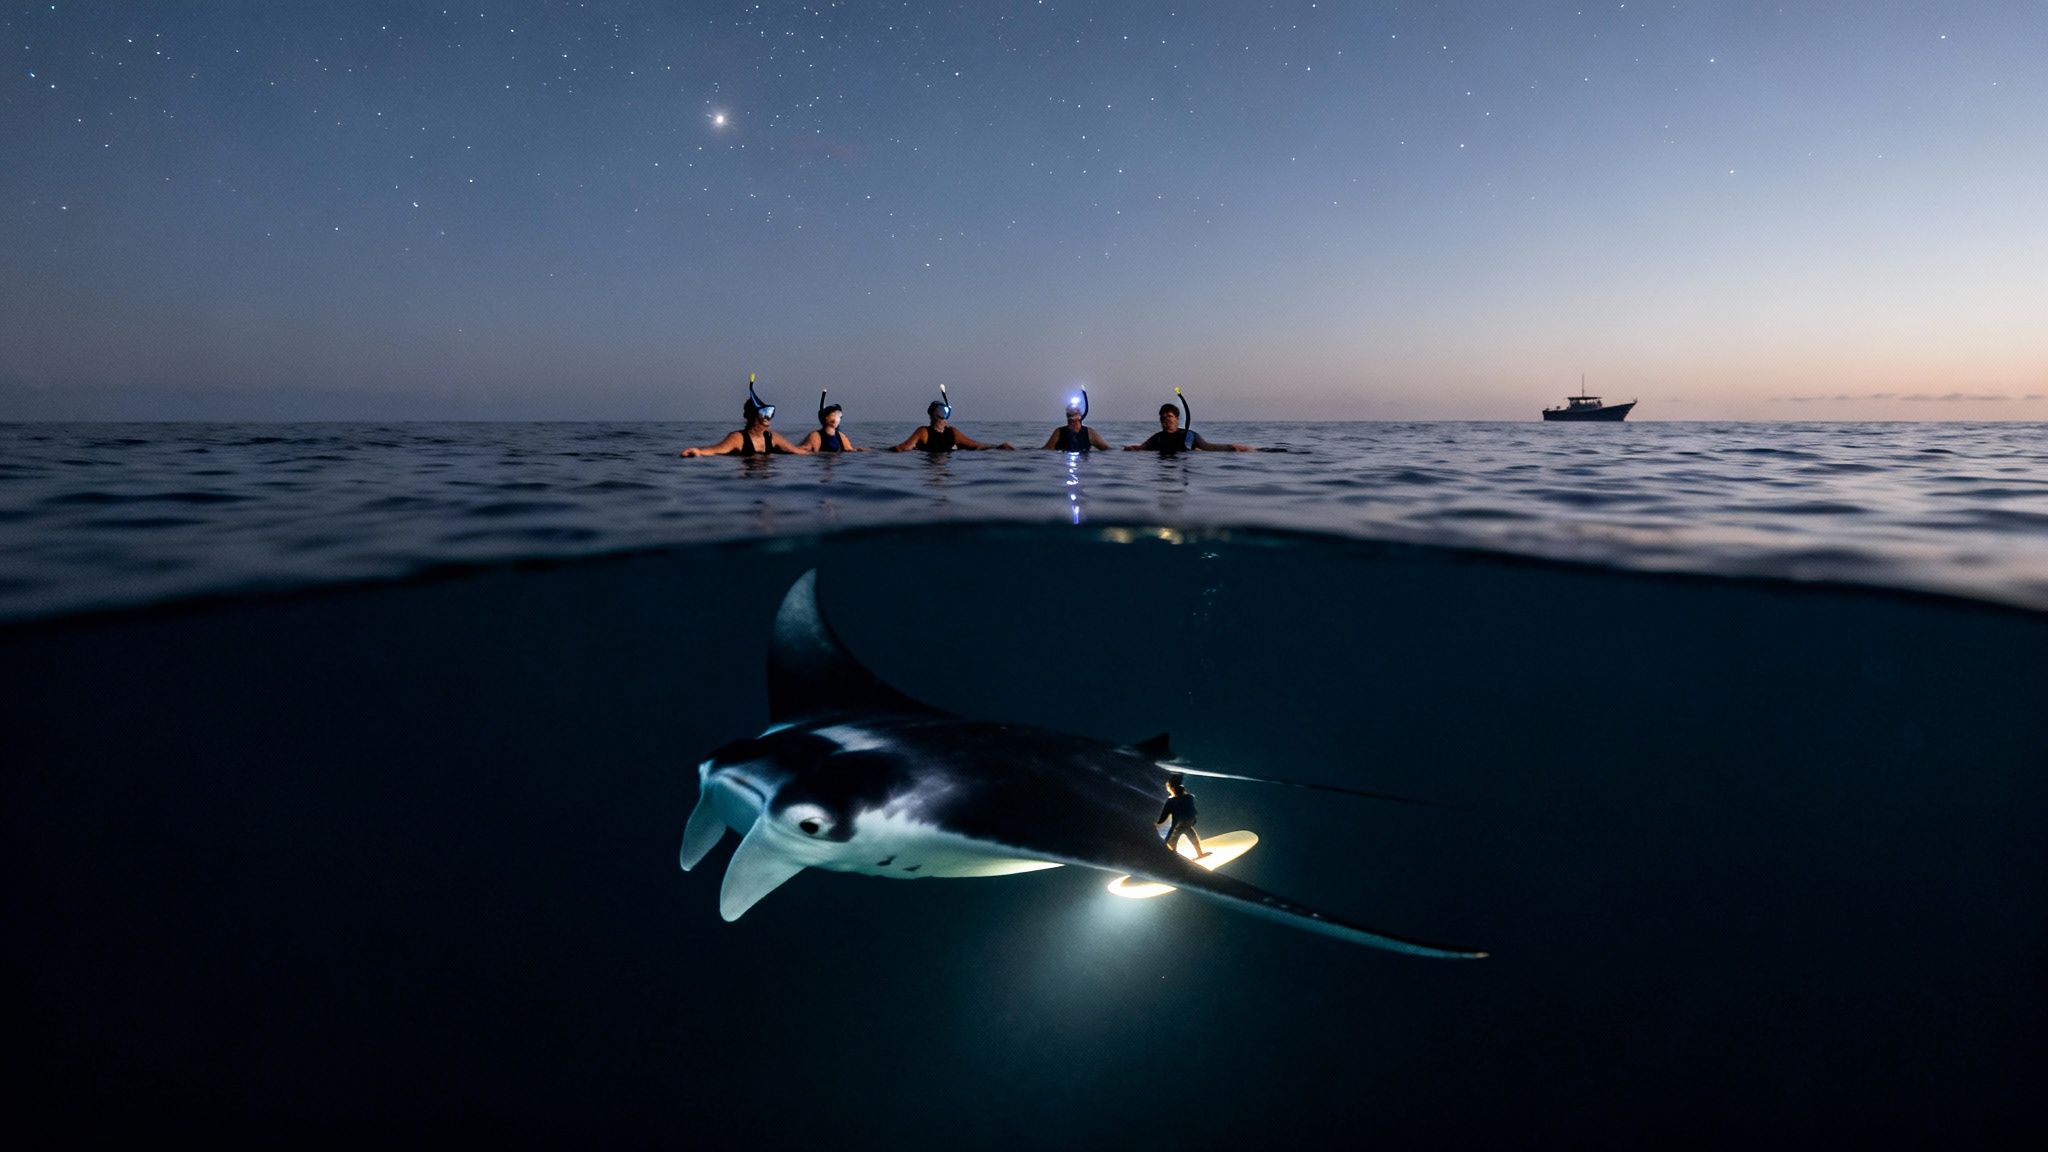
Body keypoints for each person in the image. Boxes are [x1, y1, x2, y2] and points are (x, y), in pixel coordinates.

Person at [680, 378, 809, 457]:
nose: (767, 417)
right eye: (763, 413)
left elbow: (796, 451)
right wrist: (698, 452)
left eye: (769, 413)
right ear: (752, 415)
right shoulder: (737, 438)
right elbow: (716, 450)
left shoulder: (772, 437)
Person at [892, 394, 1013, 452]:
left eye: (943, 413)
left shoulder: (953, 433)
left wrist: (998, 447)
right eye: (938, 413)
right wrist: (875, 451)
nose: (940, 418)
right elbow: (901, 448)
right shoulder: (923, 432)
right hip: (927, 466)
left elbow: (975, 445)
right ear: (931, 415)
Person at [1125, 402, 1251, 454]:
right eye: (1163, 417)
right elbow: (1141, 447)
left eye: (1169, 416)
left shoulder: (1189, 436)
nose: (1166, 420)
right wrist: (1131, 448)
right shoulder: (1157, 438)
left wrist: (1230, 447)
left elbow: (1208, 447)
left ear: (1177, 418)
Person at [1155, 772, 1208, 858]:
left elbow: (1165, 813)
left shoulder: (1172, 801)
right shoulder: (1189, 798)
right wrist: (1193, 820)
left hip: (1179, 824)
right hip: (1187, 823)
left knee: (1173, 839)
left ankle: (1172, 854)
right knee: (1191, 837)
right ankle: (1199, 854)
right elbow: (1193, 811)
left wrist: (1159, 822)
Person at [1040, 392, 1112, 452]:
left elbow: (1107, 449)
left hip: (1084, 466)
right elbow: (1046, 450)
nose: (1072, 423)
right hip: (1063, 465)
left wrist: (1122, 451)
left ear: (1080, 416)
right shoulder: (1059, 432)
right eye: (1070, 412)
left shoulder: (1089, 433)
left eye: (1075, 411)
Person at [797, 394, 867, 453]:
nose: (836, 419)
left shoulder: (841, 437)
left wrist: (858, 450)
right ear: (826, 418)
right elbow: (804, 450)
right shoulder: (815, 436)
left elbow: (850, 450)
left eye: (838, 416)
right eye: (833, 415)